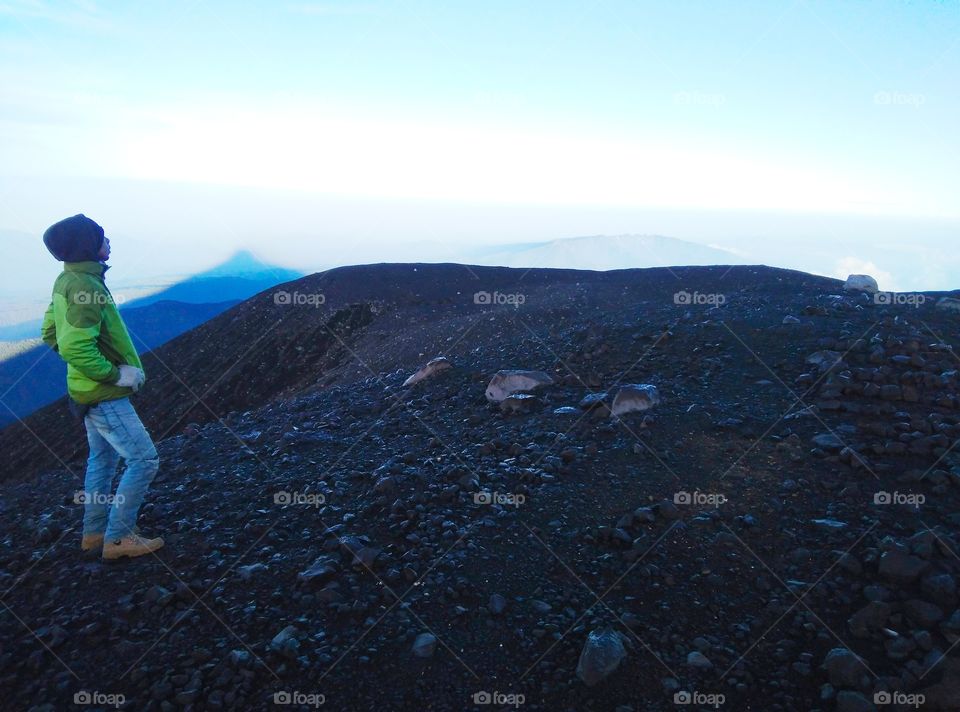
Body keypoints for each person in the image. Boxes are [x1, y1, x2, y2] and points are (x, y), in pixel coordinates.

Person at [40, 214, 164, 560]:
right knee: (144, 460)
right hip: (104, 395)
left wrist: (85, 372)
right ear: (87, 245)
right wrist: (113, 374)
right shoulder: (87, 286)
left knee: (103, 459)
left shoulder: (68, 279)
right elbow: (76, 347)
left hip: (86, 392)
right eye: (101, 237)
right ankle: (119, 538)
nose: (108, 242)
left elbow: (50, 333)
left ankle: (94, 534)